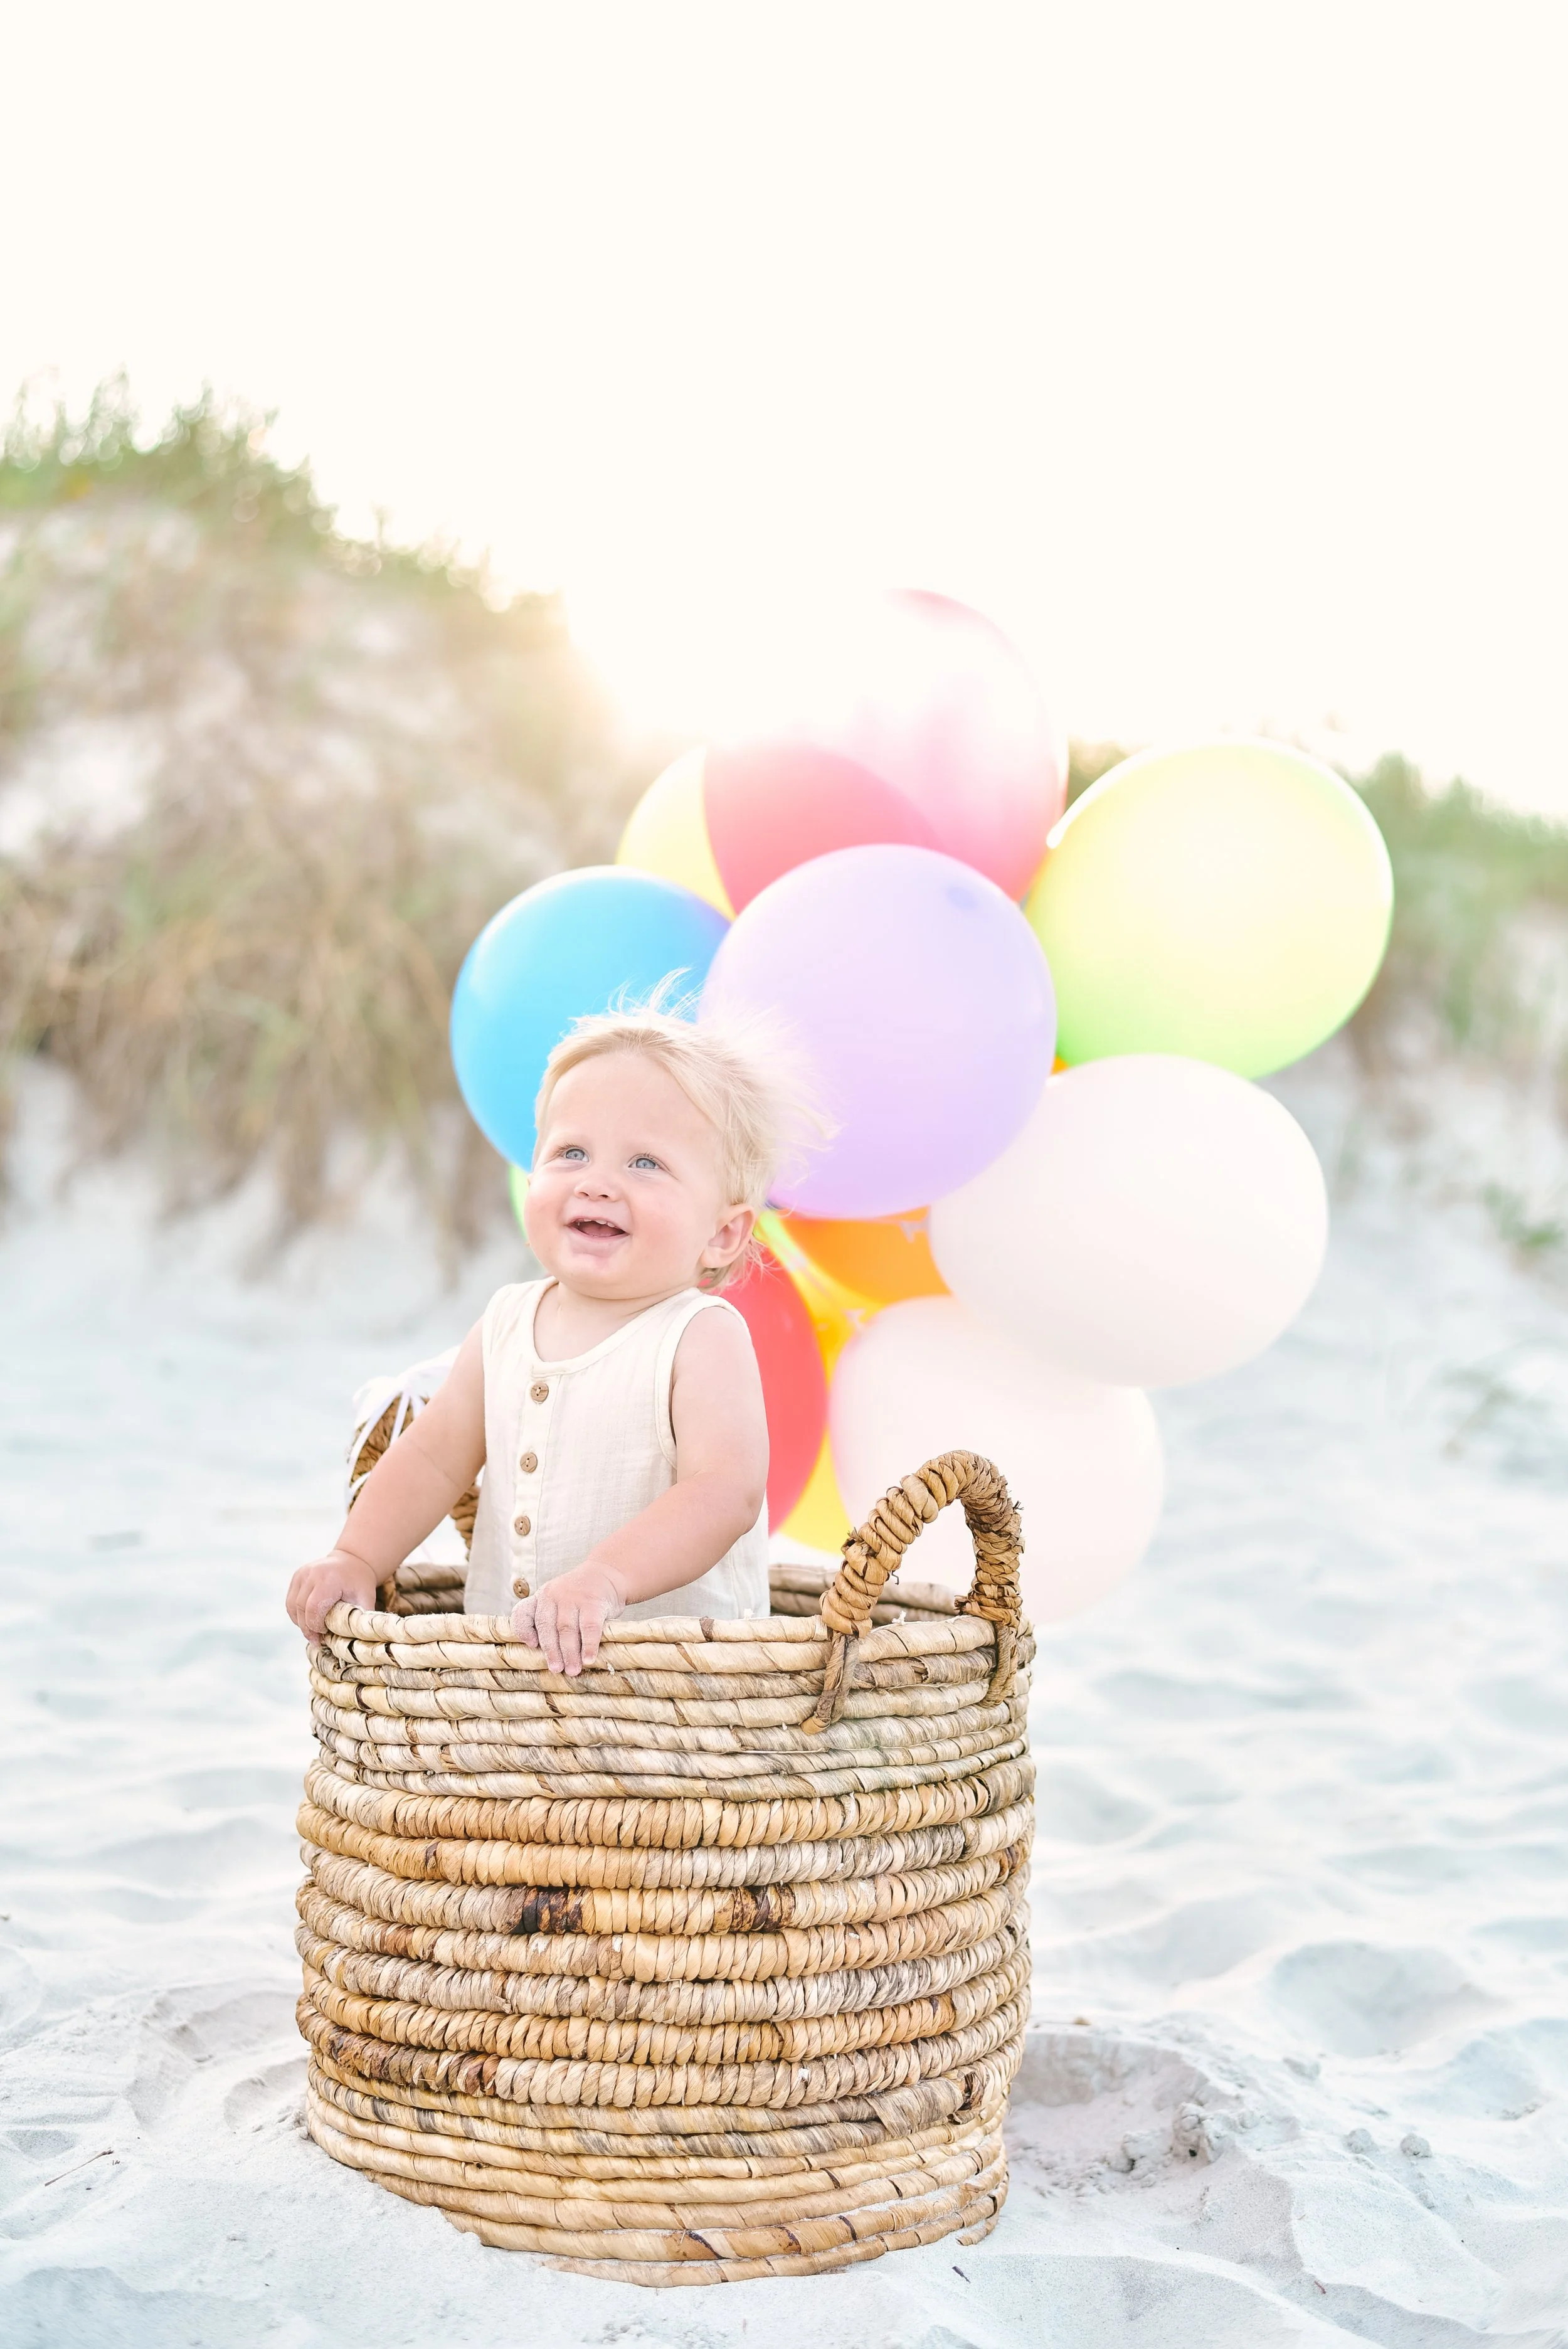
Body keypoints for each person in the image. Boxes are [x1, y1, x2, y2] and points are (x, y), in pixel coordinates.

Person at [285, 1005, 812, 1674]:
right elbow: (432, 1458)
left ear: (723, 1233)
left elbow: (724, 1491)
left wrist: (606, 1578)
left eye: (645, 1162)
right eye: (571, 1152)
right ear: (532, 1176)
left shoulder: (699, 1336)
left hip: (676, 1686)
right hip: (513, 1686)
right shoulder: (506, 1321)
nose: (597, 1181)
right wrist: (358, 1555)